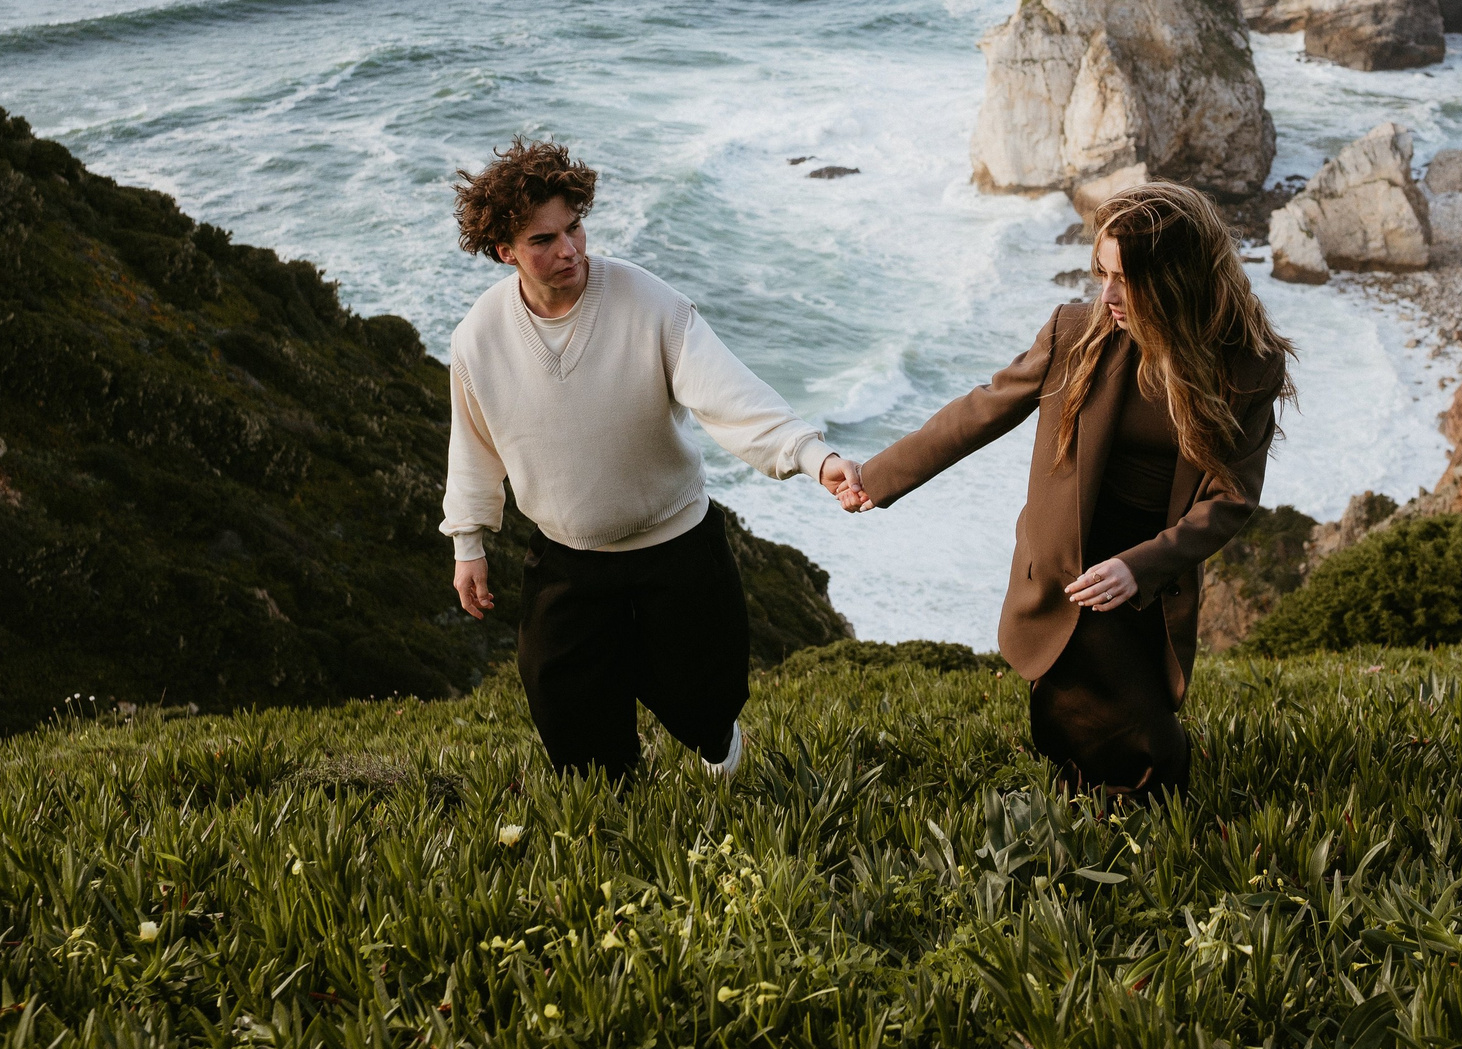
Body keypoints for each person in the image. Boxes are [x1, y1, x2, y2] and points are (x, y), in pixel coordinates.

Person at [840, 181, 1293, 796]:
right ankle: (1108, 805)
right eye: (1101, 273)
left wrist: (1142, 566)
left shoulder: (1246, 365)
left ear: (1177, 278)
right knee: (1099, 713)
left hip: (1149, 564)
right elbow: (984, 409)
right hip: (1068, 556)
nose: (1106, 295)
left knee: (1132, 716)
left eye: (1126, 280)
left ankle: (1125, 813)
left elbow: (1231, 498)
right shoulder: (1075, 333)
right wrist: (879, 477)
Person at [442, 138, 864, 780]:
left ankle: (720, 747)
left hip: (676, 546)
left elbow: (729, 394)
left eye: (575, 227)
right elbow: (472, 445)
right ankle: (622, 828)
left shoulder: (650, 303)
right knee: (575, 732)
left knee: (706, 707)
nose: (569, 250)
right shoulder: (478, 339)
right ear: (505, 251)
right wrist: (468, 541)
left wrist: (810, 454)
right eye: (543, 240)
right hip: (566, 560)